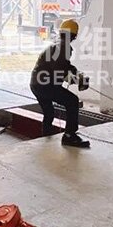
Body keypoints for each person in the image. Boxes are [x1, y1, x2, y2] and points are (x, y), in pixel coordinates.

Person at [29, 18, 90, 148]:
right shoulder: (64, 47)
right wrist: (78, 80)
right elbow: (60, 71)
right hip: (46, 85)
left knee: (49, 112)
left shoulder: (57, 44)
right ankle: (69, 136)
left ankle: (45, 137)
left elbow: (64, 66)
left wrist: (77, 73)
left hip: (36, 84)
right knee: (72, 101)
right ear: (74, 35)